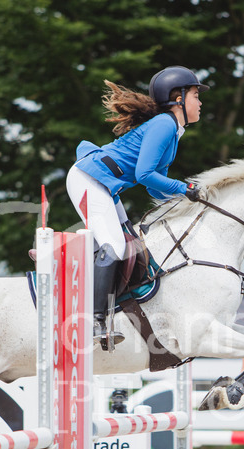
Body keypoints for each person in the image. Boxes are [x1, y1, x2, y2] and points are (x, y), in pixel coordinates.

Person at [66, 66, 209, 349]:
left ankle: (106, 304)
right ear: (177, 98)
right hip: (89, 179)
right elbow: (144, 175)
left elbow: (155, 185)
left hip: (103, 185)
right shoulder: (164, 125)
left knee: (129, 246)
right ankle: (95, 321)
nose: (200, 102)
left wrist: (186, 201)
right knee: (115, 246)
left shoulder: (172, 130)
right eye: (195, 94)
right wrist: (186, 188)